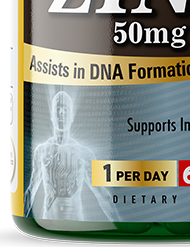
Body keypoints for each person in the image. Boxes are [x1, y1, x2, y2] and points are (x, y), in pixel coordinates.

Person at [24, 91, 119, 222]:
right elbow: (31, 191)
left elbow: (102, 194)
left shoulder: (84, 154)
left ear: (72, 116)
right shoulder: (42, 151)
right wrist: (22, 215)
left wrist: (122, 225)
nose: (61, 113)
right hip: (49, 220)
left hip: (75, 219)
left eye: (65, 109)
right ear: (51, 115)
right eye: (57, 109)